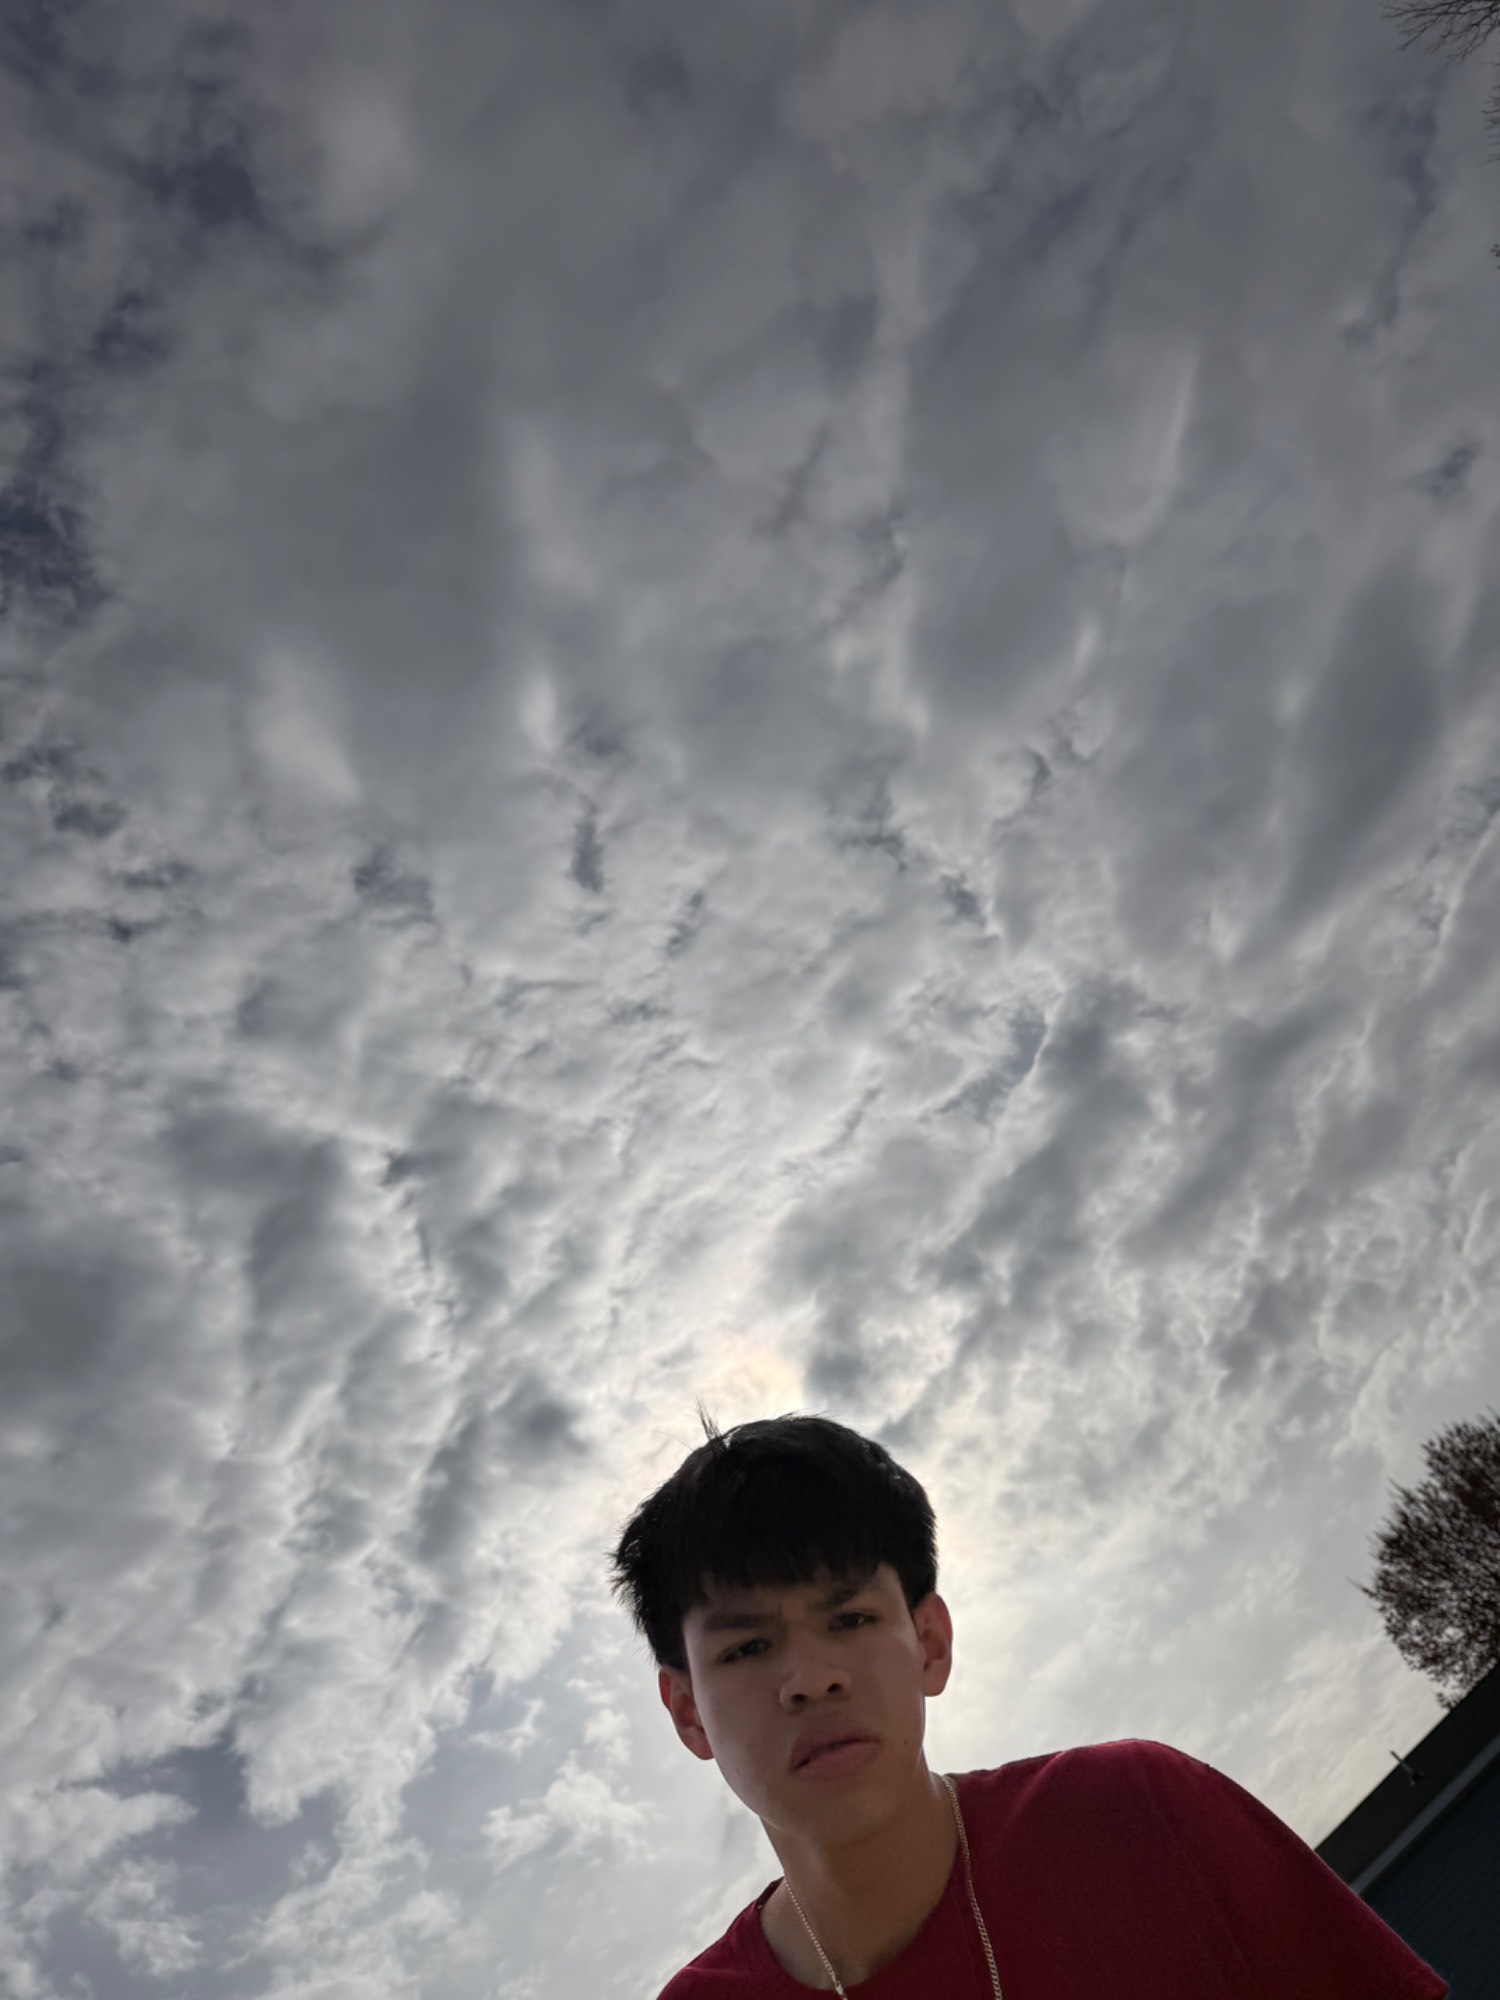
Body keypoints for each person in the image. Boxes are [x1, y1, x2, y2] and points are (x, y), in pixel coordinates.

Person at [609, 1412, 1448, 1999]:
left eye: (851, 1619)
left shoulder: (1141, 1815)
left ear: (929, 1644)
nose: (810, 1677)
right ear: (688, 1713)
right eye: (747, 1648)